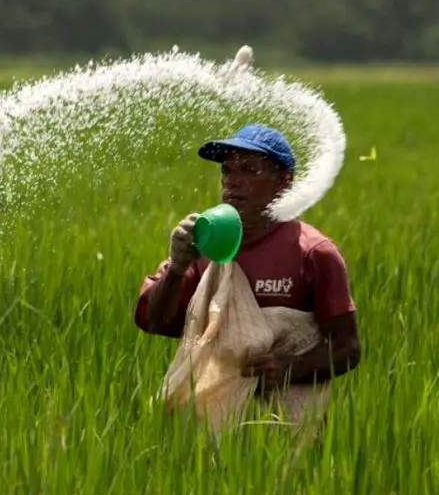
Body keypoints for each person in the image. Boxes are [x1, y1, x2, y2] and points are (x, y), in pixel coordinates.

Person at [135, 123, 362, 395]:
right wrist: (177, 268)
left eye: (249, 169)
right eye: (227, 170)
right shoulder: (204, 244)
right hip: (208, 421)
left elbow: (347, 348)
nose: (232, 180)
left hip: (286, 424)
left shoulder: (313, 253)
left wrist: (290, 367)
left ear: (283, 181)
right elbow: (155, 322)